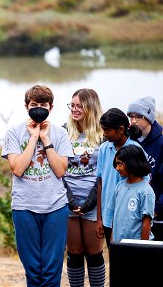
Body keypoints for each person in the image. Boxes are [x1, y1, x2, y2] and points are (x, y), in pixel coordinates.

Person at [1, 84, 73, 286]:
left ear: (51, 108)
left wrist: (46, 139)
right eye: (34, 104)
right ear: (26, 107)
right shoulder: (14, 133)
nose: (38, 108)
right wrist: (33, 137)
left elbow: (60, 170)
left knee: (52, 269)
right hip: (24, 206)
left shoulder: (60, 134)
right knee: (33, 269)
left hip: (55, 206)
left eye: (43, 104)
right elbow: (17, 168)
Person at [63, 89, 105, 287]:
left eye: (80, 106)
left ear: (91, 107)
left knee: (94, 253)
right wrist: (69, 199)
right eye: (72, 105)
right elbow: (58, 169)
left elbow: (106, 172)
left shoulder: (102, 135)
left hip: (94, 202)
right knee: (75, 252)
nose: (75, 109)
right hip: (68, 201)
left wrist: (91, 202)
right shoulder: (63, 132)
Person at [127, 96, 163, 241]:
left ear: (149, 118)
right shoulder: (129, 141)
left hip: (157, 218)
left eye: (138, 117)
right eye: (131, 116)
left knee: (155, 261)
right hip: (132, 214)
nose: (133, 121)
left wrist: (156, 210)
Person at [96, 108, 144, 248]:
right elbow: (100, 183)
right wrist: (99, 219)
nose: (104, 134)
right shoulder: (104, 149)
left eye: (107, 130)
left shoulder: (135, 150)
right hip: (108, 217)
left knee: (128, 260)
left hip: (129, 219)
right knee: (114, 259)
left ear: (121, 129)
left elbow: (143, 185)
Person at [109, 145, 155, 241]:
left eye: (120, 164)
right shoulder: (119, 186)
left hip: (136, 249)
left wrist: (142, 248)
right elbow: (115, 218)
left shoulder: (146, 191)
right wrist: (113, 245)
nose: (117, 168)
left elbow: (146, 223)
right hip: (120, 246)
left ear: (132, 163)